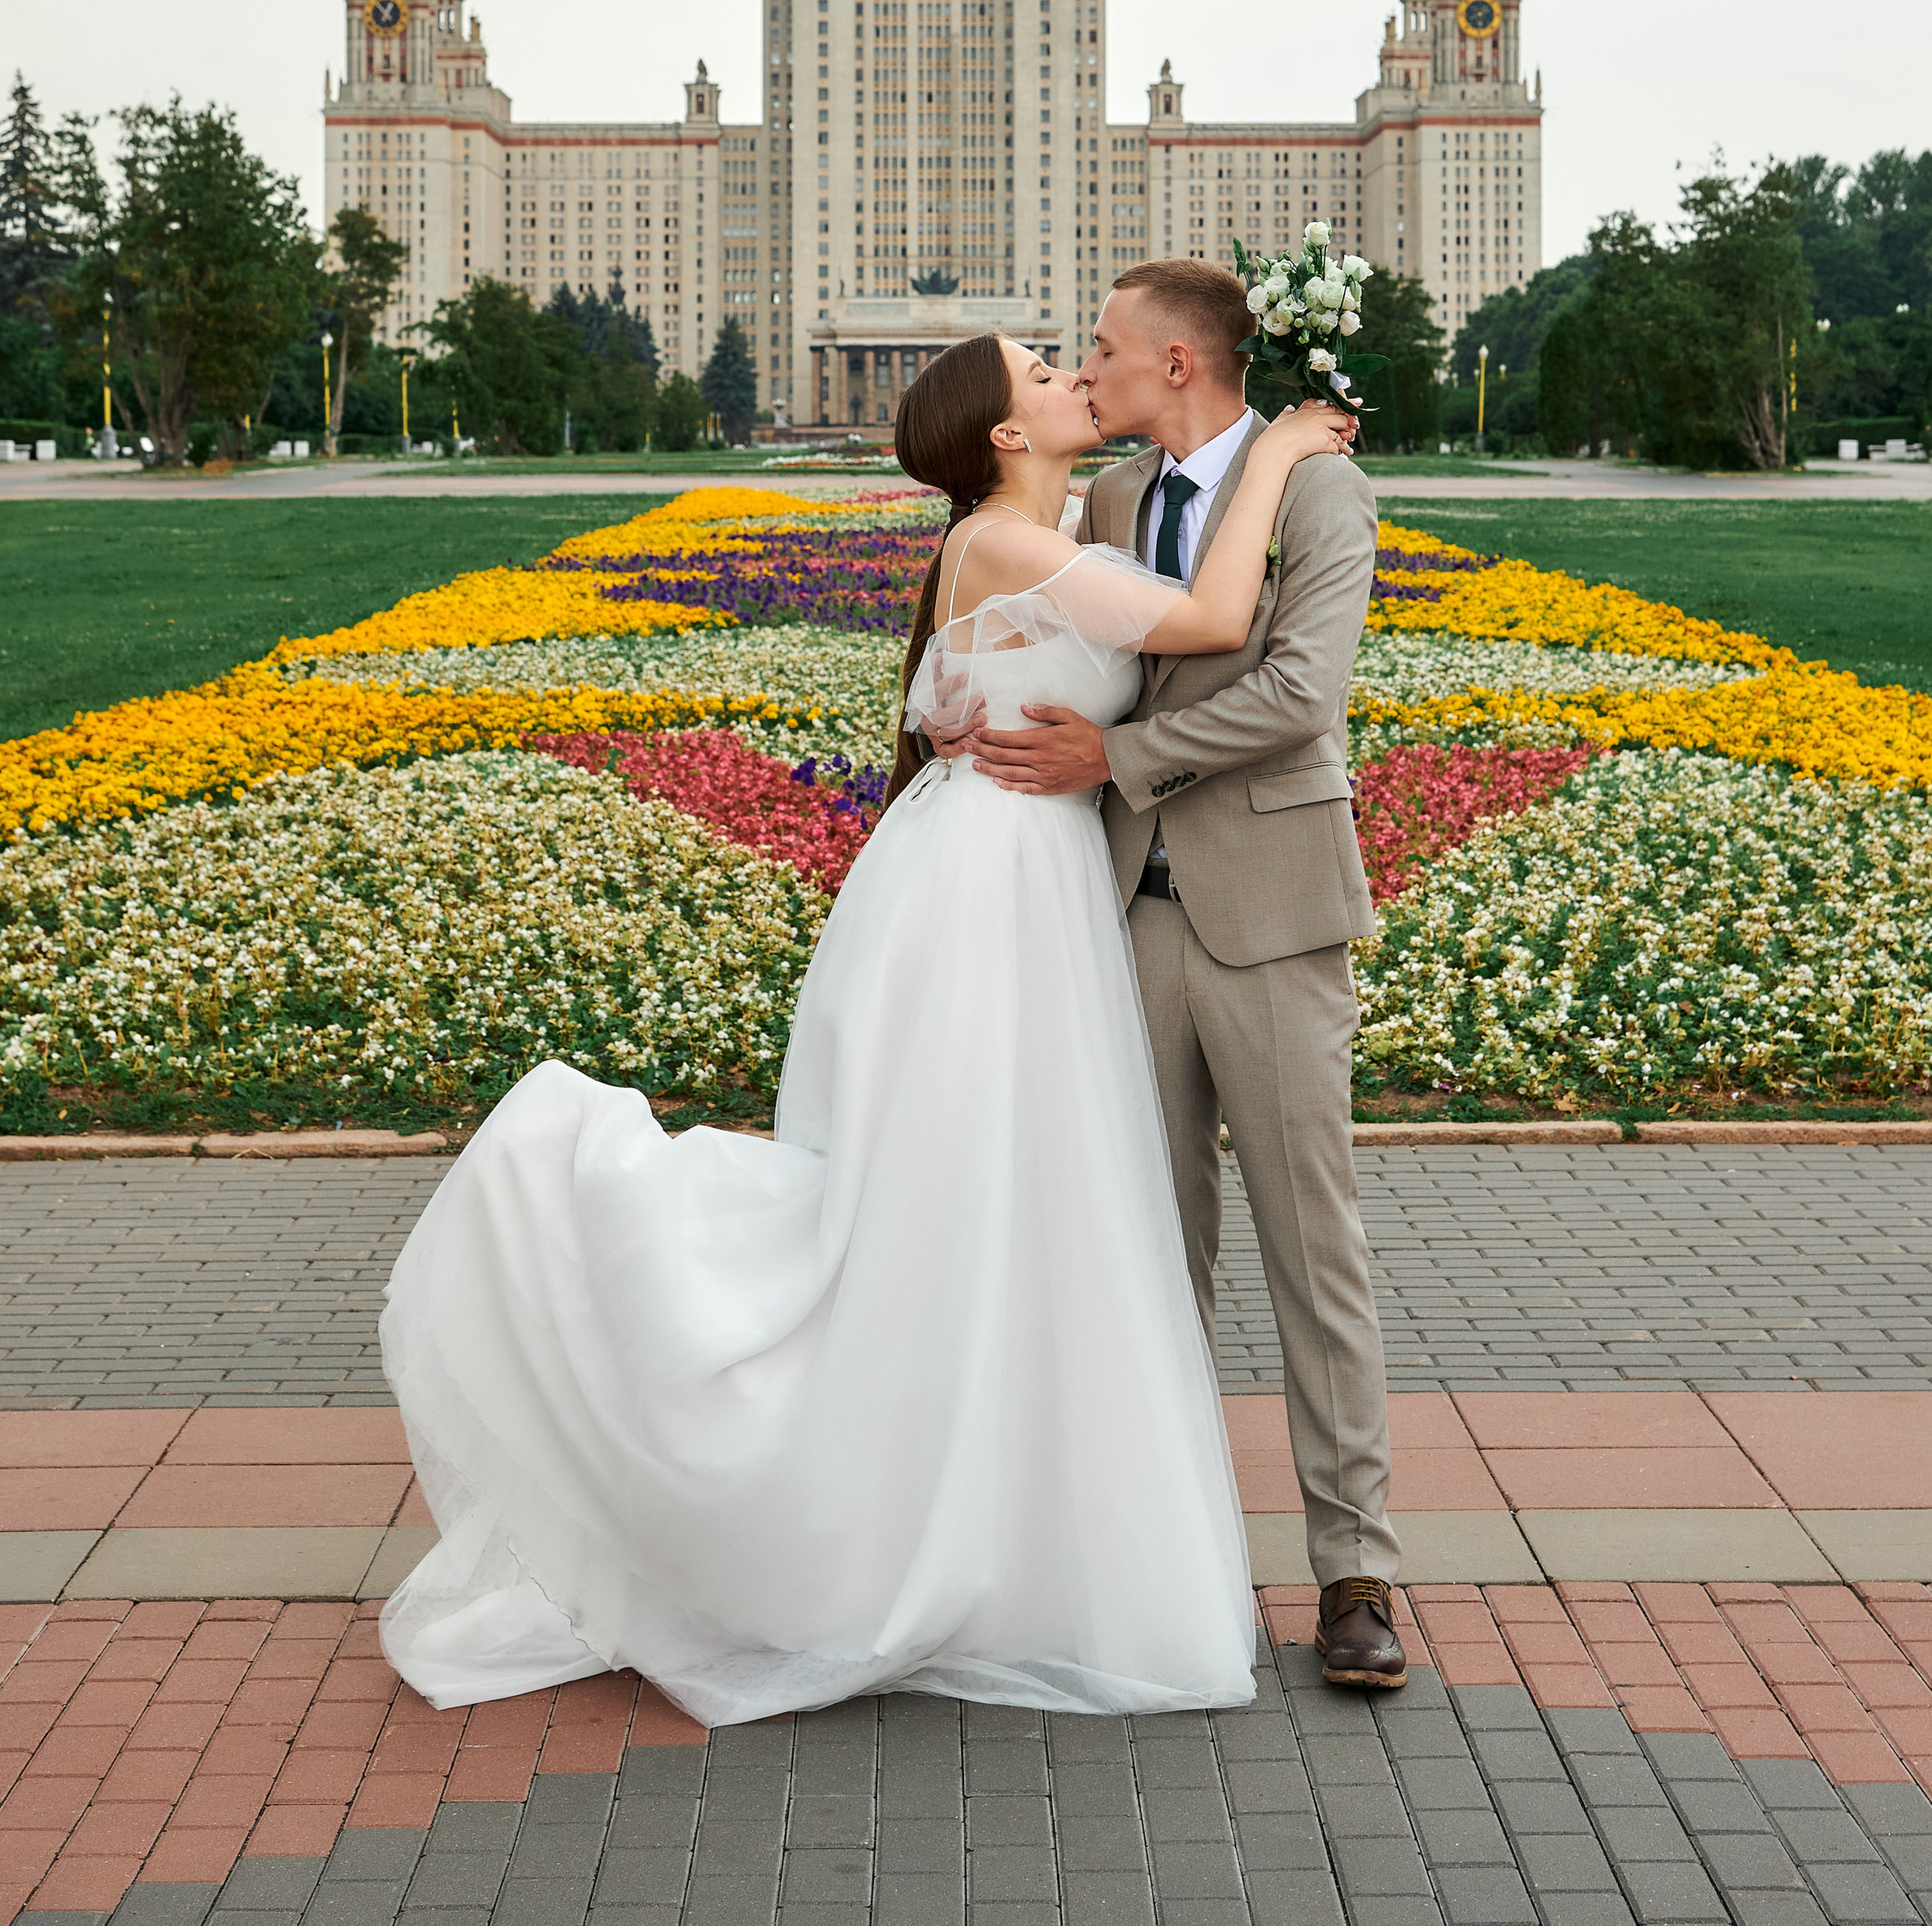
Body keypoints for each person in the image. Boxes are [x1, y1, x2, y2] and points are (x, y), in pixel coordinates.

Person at [376, 333, 1351, 1728]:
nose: (1078, 376)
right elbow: (1206, 621)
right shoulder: (1008, 546)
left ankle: (992, 1512)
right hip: (992, 895)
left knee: (999, 1208)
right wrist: (1281, 451)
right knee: (942, 1205)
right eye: (1047, 372)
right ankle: (863, 1491)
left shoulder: (1040, 527)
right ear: (1006, 436)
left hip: (1013, 875)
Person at [959, 262, 1405, 1691]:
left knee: (1309, 1248)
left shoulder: (1321, 492)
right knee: (1148, 1254)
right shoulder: (1097, 504)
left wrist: (1120, 758)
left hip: (1271, 909)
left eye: (1103, 349)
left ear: (1177, 361)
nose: (1088, 370)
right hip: (1123, 913)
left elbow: (1299, 695)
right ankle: (1161, 1555)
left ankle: (1354, 1572)